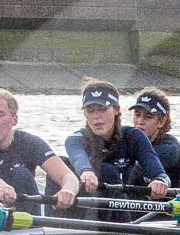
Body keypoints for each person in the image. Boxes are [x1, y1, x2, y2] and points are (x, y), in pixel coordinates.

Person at [63, 80, 170, 220]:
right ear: (85, 114)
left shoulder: (134, 136)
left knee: (107, 171)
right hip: (84, 210)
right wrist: (86, 171)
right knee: (61, 163)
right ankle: (51, 231)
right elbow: (78, 157)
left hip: (123, 212)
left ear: (116, 110)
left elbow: (159, 172)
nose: (96, 116)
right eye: (90, 110)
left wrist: (160, 181)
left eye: (102, 108)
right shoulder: (75, 139)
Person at [0, 87, 80, 210]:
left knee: (21, 174)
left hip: (24, 218)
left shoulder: (29, 143)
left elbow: (67, 176)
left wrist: (67, 190)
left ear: (15, 119)